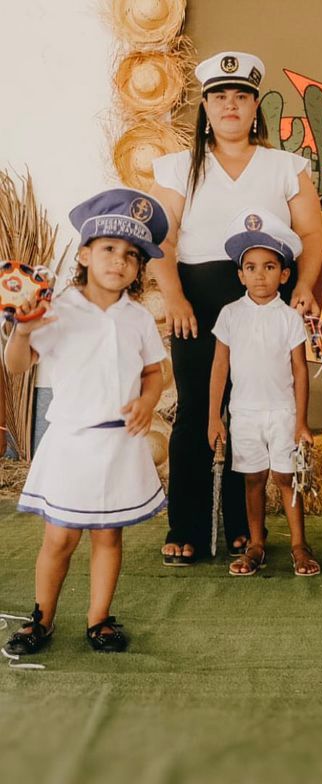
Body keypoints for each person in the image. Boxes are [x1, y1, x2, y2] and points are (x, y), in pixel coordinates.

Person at [149, 50, 322, 566]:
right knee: (197, 412)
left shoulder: (286, 166)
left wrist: (304, 286)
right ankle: (186, 526)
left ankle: (243, 530)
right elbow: (161, 238)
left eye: (241, 97)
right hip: (197, 300)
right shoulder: (177, 167)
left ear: (255, 106)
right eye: (219, 97)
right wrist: (174, 296)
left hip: (264, 297)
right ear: (205, 107)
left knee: (248, 409)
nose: (230, 105)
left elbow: (312, 235)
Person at [2, 188, 168, 656]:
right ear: (84, 255)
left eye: (132, 255)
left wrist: (147, 402)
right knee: (59, 538)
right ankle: (41, 618)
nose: (120, 261)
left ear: (139, 268)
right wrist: (22, 331)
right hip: (72, 443)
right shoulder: (55, 309)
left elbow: (154, 372)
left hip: (119, 445)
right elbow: (17, 365)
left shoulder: (138, 318)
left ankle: (99, 620)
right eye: (109, 248)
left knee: (108, 535)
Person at [208, 209, 315, 577]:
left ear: (284, 274)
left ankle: (299, 545)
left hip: (283, 412)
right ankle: (256, 543)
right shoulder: (230, 314)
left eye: (269, 267)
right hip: (244, 413)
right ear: (240, 275)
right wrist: (214, 418)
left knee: (287, 479)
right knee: (253, 479)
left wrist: (301, 422)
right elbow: (219, 366)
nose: (259, 275)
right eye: (250, 267)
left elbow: (300, 370)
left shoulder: (290, 318)